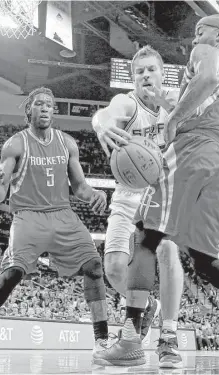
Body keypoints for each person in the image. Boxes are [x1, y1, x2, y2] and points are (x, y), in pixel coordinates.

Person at [94, 14, 219, 371]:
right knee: (204, 257)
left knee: (147, 236)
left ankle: (130, 340)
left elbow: (204, 77)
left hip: (191, 152)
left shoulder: (209, 52)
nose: (194, 38)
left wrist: (175, 121)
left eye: (200, 32)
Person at [0, 87, 109, 363]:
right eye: (39, 104)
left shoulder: (67, 143)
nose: (45, 107)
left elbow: (80, 187)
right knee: (12, 273)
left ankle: (102, 341)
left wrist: (94, 194)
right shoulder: (16, 143)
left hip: (63, 213)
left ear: (54, 110)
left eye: (49, 104)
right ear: (29, 111)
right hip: (27, 215)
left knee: (94, 266)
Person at [92, 45, 184, 368]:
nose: (145, 75)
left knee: (167, 252)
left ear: (163, 73)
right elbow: (106, 113)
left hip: (162, 192)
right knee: (114, 269)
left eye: (151, 69)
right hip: (128, 192)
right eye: (139, 71)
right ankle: (150, 306)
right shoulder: (127, 103)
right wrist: (101, 123)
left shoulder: (174, 103)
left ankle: (169, 339)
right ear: (133, 79)